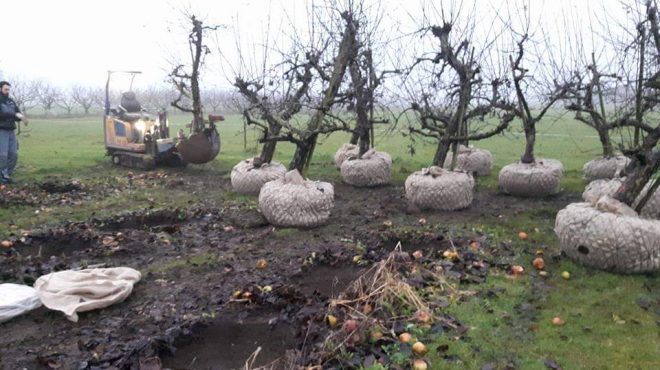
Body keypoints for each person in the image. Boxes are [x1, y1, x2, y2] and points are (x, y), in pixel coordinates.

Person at [0, 81, 25, 184]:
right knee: (3, 155)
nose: (7, 91)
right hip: (1, 130)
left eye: (8, 89)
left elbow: (17, 113)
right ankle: (3, 177)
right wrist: (14, 114)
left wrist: (21, 117)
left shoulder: (11, 101)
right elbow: (2, 114)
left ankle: (7, 174)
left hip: (11, 130)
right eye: (6, 89)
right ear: (0, 89)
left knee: (13, 154)